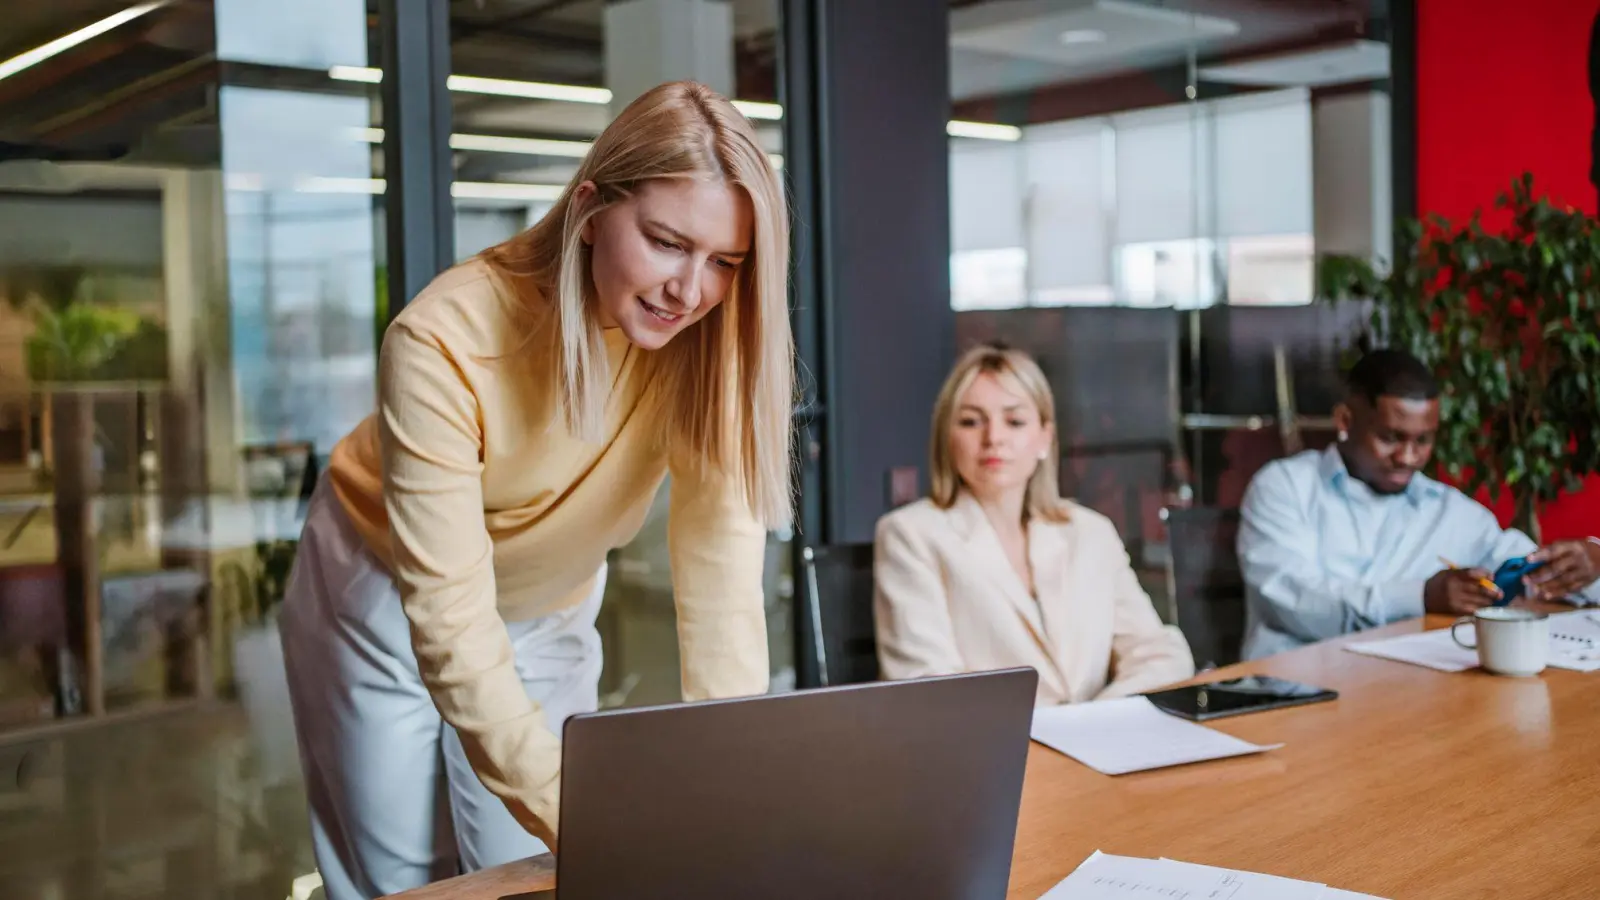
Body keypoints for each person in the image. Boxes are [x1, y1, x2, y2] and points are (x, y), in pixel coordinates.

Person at [277, 82, 792, 900]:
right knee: (401, 877)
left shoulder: (709, 343)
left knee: (535, 862)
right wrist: (597, 818)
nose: (689, 291)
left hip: (549, 602)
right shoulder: (443, 338)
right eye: (666, 242)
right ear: (589, 209)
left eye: (725, 262)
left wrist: (725, 783)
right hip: (379, 589)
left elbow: (720, 571)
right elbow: (448, 622)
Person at [873, 344, 1194, 705]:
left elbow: (1158, 653)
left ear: (1044, 437)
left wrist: (1097, 719)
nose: (993, 438)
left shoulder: (1090, 532)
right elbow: (926, 687)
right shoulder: (911, 534)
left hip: (1096, 747)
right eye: (970, 421)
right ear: (948, 439)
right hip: (991, 754)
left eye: (1014, 421)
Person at [1237, 349, 1600, 659]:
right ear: (1346, 420)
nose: (1408, 457)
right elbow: (1296, 604)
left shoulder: (1449, 511)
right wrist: (1421, 596)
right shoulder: (1285, 487)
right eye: (1390, 438)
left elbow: (1532, 569)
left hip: (1405, 699)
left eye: (1423, 441)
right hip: (1290, 693)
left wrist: (1588, 565)